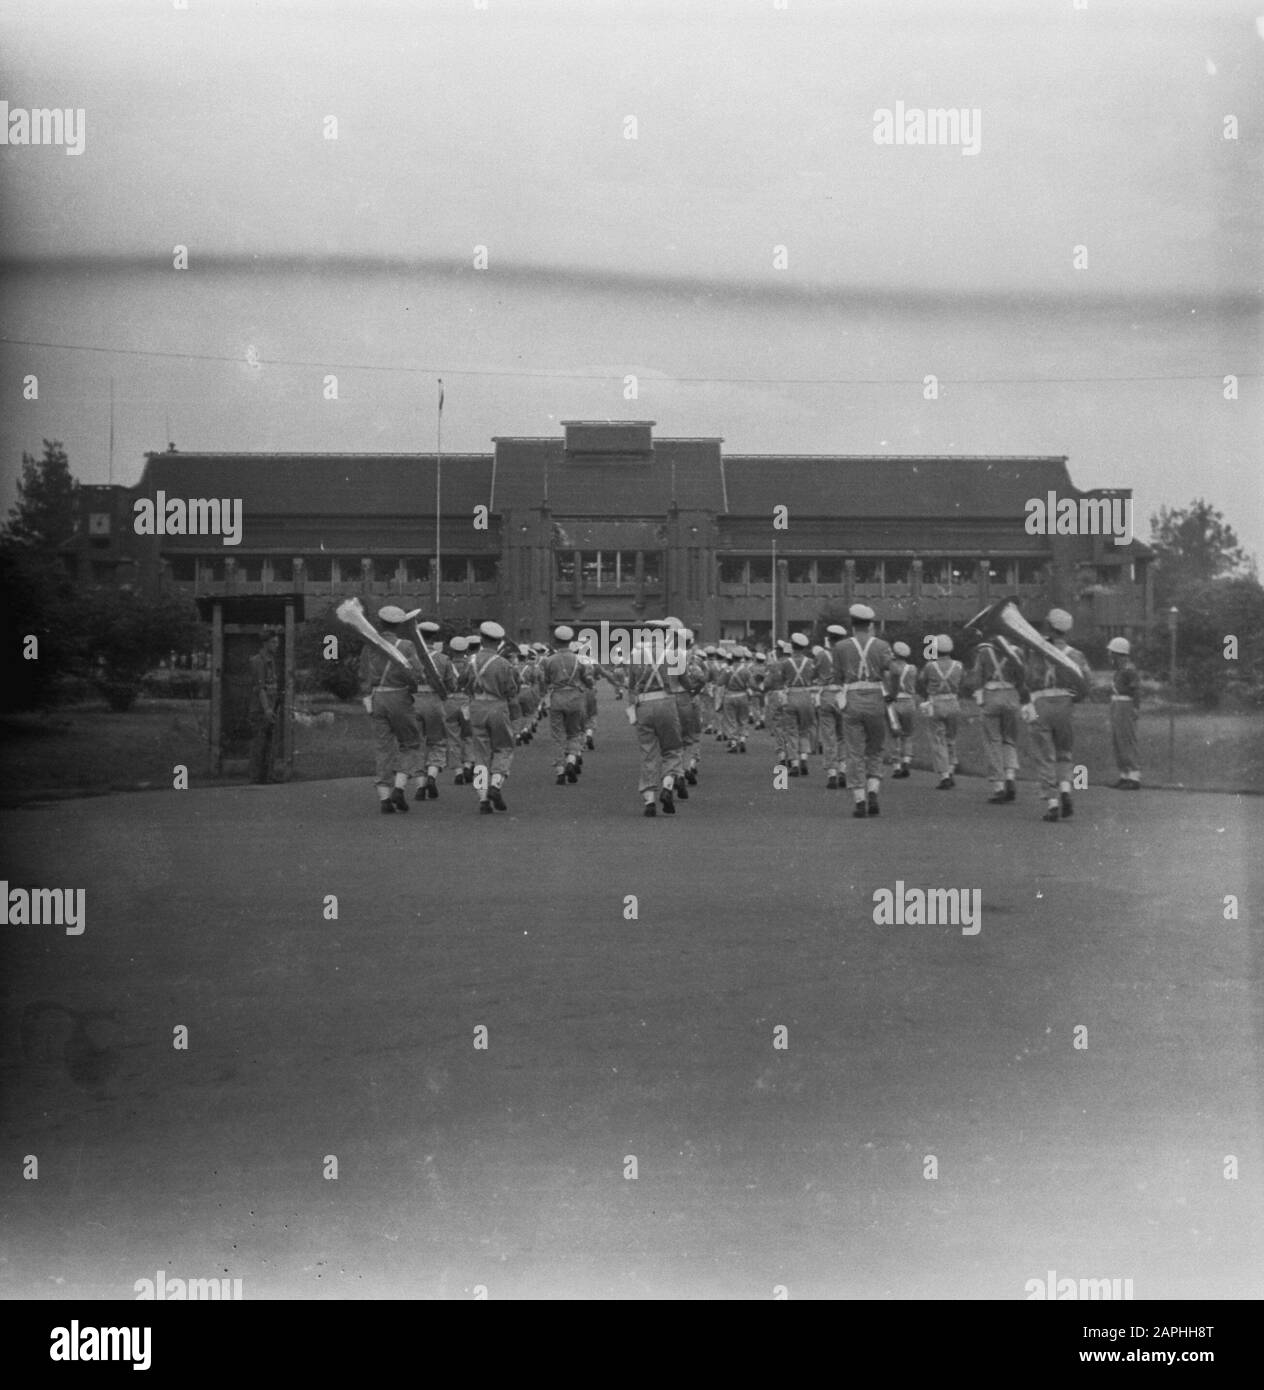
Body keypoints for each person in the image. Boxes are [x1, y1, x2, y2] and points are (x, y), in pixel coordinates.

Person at [1021, 608, 1091, 822]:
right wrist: (1074, 698)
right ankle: (1066, 790)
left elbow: (1028, 679)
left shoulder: (1036, 652)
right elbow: (1086, 682)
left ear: (1050, 627)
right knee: (1064, 752)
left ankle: (1052, 804)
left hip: (1042, 702)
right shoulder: (1076, 655)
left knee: (1045, 756)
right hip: (1065, 704)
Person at [357, 605, 425, 813]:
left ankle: (384, 798)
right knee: (411, 743)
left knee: (383, 747)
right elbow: (417, 673)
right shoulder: (406, 645)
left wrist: (368, 695)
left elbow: (363, 675)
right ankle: (399, 787)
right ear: (400, 625)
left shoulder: (369, 646)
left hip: (377, 697)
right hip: (399, 697)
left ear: (380, 622)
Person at [832, 604, 894, 817]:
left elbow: (838, 677)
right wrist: (891, 692)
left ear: (852, 624)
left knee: (854, 751)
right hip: (876, 698)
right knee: (875, 748)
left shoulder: (840, 647)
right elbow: (892, 670)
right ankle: (874, 790)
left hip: (852, 699)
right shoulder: (883, 645)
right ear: (870, 625)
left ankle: (859, 799)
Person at [963, 632, 1026, 803]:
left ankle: (999, 785)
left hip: (991, 695)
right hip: (1011, 696)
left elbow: (977, 678)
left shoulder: (984, 653)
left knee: (993, 741)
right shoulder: (1017, 652)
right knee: (1009, 740)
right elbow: (1022, 677)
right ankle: (1011, 776)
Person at [626, 637, 685, 816]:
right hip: (667, 703)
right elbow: (684, 682)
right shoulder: (675, 655)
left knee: (648, 752)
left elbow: (631, 686)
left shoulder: (635, 654)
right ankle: (668, 785)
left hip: (643, 704)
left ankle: (649, 799)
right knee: (672, 749)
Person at [466, 620, 519, 814]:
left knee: (480, 754)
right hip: (497, 706)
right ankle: (496, 785)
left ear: (481, 638)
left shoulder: (470, 661)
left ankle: (482, 799)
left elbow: (463, 683)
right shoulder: (504, 664)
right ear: (498, 643)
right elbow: (511, 690)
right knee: (504, 747)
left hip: (476, 706)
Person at [542, 624, 593, 785]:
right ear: (570, 641)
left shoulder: (548, 661)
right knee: (574, 733)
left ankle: (560, 770)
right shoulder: (579, 660)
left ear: (556, 641)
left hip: (557, 698)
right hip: (575, 699)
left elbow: (545, 681)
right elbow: (587, 680)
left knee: (558, 736)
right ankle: (571, 760)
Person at [411, 620, 452, 800]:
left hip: (413, 701)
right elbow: (451, 684)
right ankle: (432, 775)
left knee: (415, 744)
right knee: (438, 742)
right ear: (434, 637)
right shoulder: (443, 659)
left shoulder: (411, 657)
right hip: (434, 701)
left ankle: (419, 786)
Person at [917, 634, 963, 790]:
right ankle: (951, 769)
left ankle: (944, 775)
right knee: (951, 737)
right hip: (953, 701)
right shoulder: (958, 665)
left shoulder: (930, 666)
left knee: (938, 739)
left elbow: (922, 680)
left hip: (936, 702)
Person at [780, 632, 817, 777]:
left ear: (792, 645)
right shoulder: (810, 662)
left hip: (791, 695)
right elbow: (813, 677)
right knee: (805, 730)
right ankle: (804, 758)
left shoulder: (785, 663)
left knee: (791, 731)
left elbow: (783, 678)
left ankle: (794, 762)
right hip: (806, 696)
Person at [1107, 636, 1142, 789]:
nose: (1110, 656)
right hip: (1116, 703)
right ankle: (1124, 774)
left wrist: (1135, 708)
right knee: (1117, 739)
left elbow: (1136, 690)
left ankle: (1134, 776)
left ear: (1118, 654)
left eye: (1112, 653)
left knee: (1126, 738)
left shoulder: (1129, 670)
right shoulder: (1119, 671)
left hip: (1125, 704)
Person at [816, 624, 848, 789]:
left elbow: (815, 674)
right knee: (843, 735)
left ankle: (832, 774)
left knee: (829, 736)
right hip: (842, 695)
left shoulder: (821, 655)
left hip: (827, 695)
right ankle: (843, 769)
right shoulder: (847, 654)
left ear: (829, 637)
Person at [247, 629, 281, 784]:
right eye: (273, 642)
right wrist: (267, 709)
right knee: (259, 744)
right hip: (261, 709)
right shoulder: (257, 661)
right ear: (265, 643)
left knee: (270, 744)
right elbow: (260, 688)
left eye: (277, 641)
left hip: (271, 708)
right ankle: (255, 778)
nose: (276, 645)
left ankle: (268, 776)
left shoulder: (271, 660)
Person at [444, 635, 475, 785]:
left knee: (453, 737)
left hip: (450, 701)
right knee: (469, 735)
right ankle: (469, 764)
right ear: (466, 650)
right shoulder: (471, 665)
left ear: (451, 650)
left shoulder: (446, 663)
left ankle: (458, 771)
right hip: (466, 701)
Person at [886, 641, 918, 778]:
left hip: (893, 701)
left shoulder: (889, 670)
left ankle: (896, 766)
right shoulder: (912, 669)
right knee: (908, 734)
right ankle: (907, 760)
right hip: (909, 701)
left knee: (894, 734)